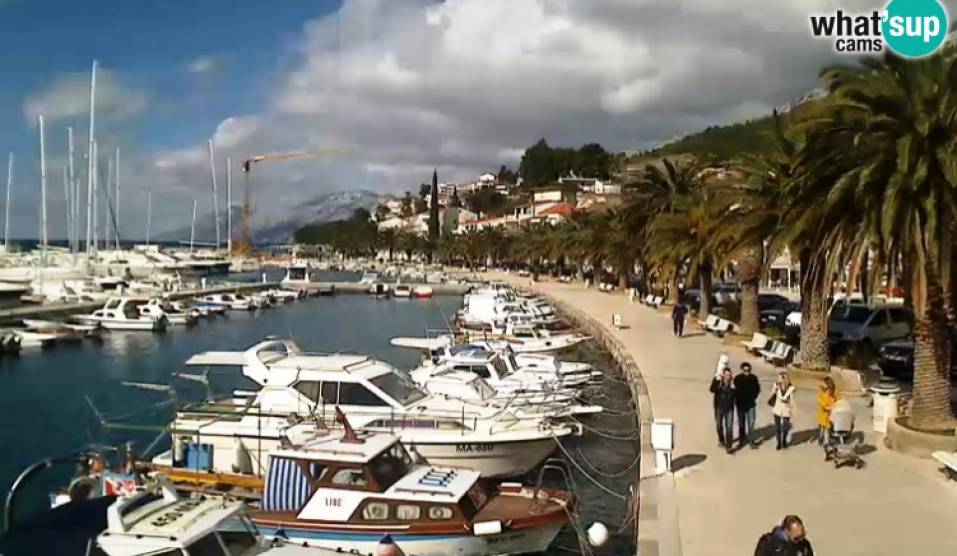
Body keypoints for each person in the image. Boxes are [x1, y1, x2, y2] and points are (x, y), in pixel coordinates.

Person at [733, 362, 761, 448]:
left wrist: (754, 397)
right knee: (741, 423)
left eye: (748, 370)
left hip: (751, 404)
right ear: (742, 370)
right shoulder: (737, 378)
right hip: (740, 404)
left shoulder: (754, 378)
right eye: (745, 370)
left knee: (751, 423)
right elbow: (735, 391)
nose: (747, 372)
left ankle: (751, 441)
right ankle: (742, 440)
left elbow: (758, 389)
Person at [710, 367, 736, 452]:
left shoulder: (733, 384)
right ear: (723, 375)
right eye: (726, 375)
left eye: (729, 375)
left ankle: (729, 446)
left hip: (729, 409)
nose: (727, 377)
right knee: (719, 425)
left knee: (729, 427)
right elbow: (712, 390)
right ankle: (721, 440)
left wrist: (735, 385)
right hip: (719, 407)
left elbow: (737, 395)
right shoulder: (718, 382)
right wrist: (715, 379)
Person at [769, 372, 796, 450]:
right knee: (777, 427)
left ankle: (784, 440)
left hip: (786, 409)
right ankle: (779, 443)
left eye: (779, 378)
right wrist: (775, 388)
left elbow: (792, 399)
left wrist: (792, 408)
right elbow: (772, 393)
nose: (778, 379)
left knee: (785, 427)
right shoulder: (776, 385)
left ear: (784, 379)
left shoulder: (791, 388)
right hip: (777, 408)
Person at [816, 377, 838, 446]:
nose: (822, 384)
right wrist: (825, 407)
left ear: (828, 384)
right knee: (822, 428)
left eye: (824, 383)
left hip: (830, 414)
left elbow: (838, 401)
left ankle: (826, 441)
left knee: (827, 429)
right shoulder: (822, 392)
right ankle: (821, 439)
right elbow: (820, 401)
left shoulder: (834, 392)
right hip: (823, 414)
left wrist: (832, 407)